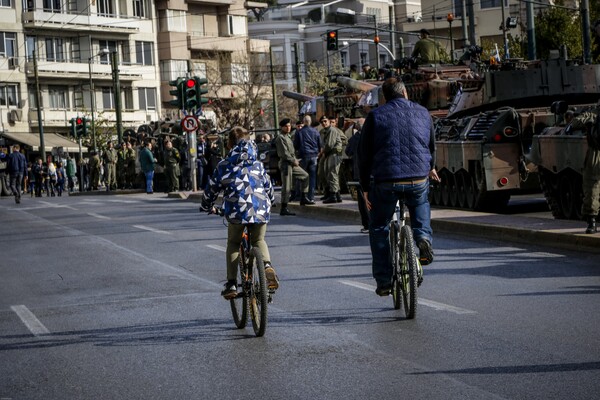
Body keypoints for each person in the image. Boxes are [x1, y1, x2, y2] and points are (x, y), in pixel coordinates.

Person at [358, 78, 440, 296]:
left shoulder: (375, 116)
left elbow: (363, 155)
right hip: (418, 178)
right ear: (405, 92)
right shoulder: (423, 112)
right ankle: (422, 238)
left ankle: (384, 282)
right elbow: (431, 145)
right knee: (420, 201)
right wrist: (430, 167)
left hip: (386, 181)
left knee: (378, 227)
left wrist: (365, 187)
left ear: (384, 97)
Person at [199, 126, 279, 299]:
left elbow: (211, 189)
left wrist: (207, 205)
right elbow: (269, 187)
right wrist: (271, 201)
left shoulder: (224, 165)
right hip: (260, 208)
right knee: (259, 240)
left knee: (234, 243)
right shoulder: (257, 163)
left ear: (229, 144)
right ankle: (266, 266)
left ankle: (232, 284)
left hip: (237, 210)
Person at [274, 118, 314, 215]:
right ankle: (284, 207)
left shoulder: (288, 137)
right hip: (286, 164)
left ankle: (303, 197)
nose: (288, 128)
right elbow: (284, 153)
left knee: (305, 176)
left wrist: (295, 160)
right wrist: (293, 160)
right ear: (282, 127)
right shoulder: (280, 138)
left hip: (292, 163)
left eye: (289, 126)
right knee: (287, 187)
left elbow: (291, 151)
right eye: (286, 126)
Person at [345, 120, 369, 233]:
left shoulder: (354, 139)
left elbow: (348, 152)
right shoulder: (372, 136)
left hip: (359, 172)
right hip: (373, 172)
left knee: (363, 200)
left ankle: (367, 224)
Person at [293, 115, 321, 202]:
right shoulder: (315, 131)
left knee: (302, 176)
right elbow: (320, 144)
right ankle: (311, 196)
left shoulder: (299, 132)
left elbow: (296, 145)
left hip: (303, 156)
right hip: (314, 156)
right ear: (310, 122)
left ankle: (301, 195)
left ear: (304, 122)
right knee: (312, 177)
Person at [582, 104, 600, 234]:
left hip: (595, 153)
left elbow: (577, 121)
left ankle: (592, 223)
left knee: (592, 187)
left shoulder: (593, 112)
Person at [319, 115, 344, 204]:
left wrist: (323, 152)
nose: (324, 123)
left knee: (332, 174)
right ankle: (337, 195)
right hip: (331, 154)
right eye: (322, 122)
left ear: (329, 121)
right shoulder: (326, 131)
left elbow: (329, 145)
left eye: (325, 121)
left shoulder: (332, 130)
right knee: (332, 174)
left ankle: (333, 195)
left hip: (334, 154)